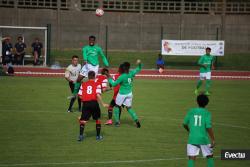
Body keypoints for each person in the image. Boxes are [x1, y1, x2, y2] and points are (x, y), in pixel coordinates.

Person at [105, 60, 142, 128]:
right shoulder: (131, 73)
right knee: (129, 108)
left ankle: (117, 122)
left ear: (123, 69)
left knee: (116, 106)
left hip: (122, 94)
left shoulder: (122, 76)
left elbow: (113, 84)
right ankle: (136, 120)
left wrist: (108, 77)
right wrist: (139, 63)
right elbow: (139, 68)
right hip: (129, 93)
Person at [183, 94, 215, 167]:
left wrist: (189, 130)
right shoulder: (207, 113)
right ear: (207, 103)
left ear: (197, 102)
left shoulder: (191, 111)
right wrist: (213, 139)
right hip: (203, 139)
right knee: (209, 156)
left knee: (191, 158)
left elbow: (184, 123)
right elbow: (208, 127)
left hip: (192, 138)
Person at [77, 71, 108, 141]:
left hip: (85, 104)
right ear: (95, 77)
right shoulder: (97, 84)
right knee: (97, 119)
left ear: (88, 77)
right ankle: (98, 136)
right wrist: (103, 103)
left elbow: (80, 96)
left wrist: (85, 99)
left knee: (83, 120)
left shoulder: (83, 84)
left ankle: (81, 136)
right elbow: (98, 94)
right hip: (94, 103)